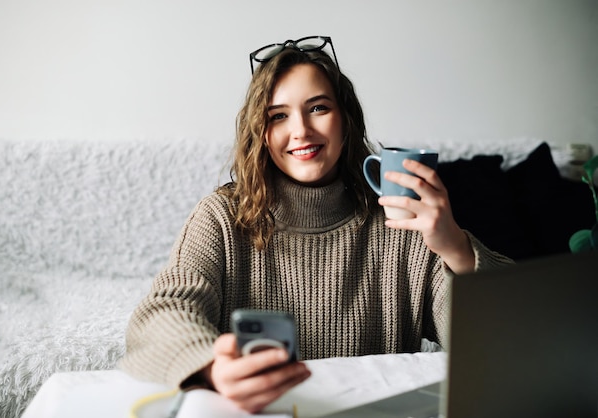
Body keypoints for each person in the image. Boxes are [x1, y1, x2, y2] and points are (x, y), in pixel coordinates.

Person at [120, 35, 513, 413]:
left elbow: (502, 341)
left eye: (318, 108)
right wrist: (212, 367)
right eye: (278, 116)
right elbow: (161, 314)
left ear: (345, 120)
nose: (301, 131)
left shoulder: (403, 221)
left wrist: (456, 247)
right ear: (261, 133)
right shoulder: (221, 217)